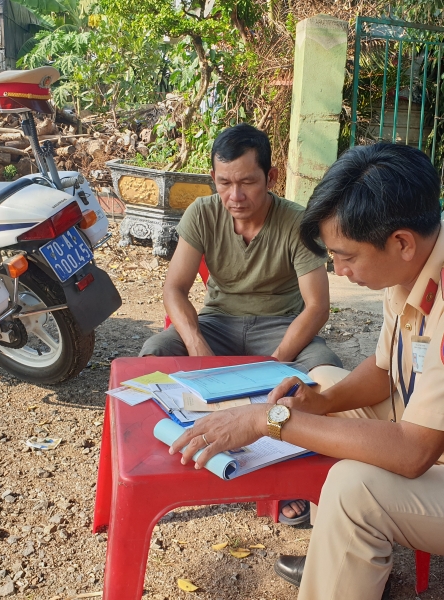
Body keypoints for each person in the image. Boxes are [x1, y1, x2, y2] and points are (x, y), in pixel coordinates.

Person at [166, 142, 444, 600]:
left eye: (347, 256)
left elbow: (413, 453)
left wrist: (270, 420)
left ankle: (345, 553)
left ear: (401, 242)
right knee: (324, 380)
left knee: (356, 491)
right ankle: (346, 557)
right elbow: (386, 369)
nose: (339, 270)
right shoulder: (413, 265)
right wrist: (321, 402)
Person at [140, 123, 341, 525]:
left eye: (248, 182)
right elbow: (174, 289)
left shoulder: (295, 222)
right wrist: (196, 343)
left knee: (324, 376)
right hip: (218, 322)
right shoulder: (202, 212)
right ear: (213, 178)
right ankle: (162, 464)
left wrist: (278, 360)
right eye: (224, 183)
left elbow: (317, 307)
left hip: (282, 326)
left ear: (271, 177)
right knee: (154, 356)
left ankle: (292, 480)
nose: (235, 196)